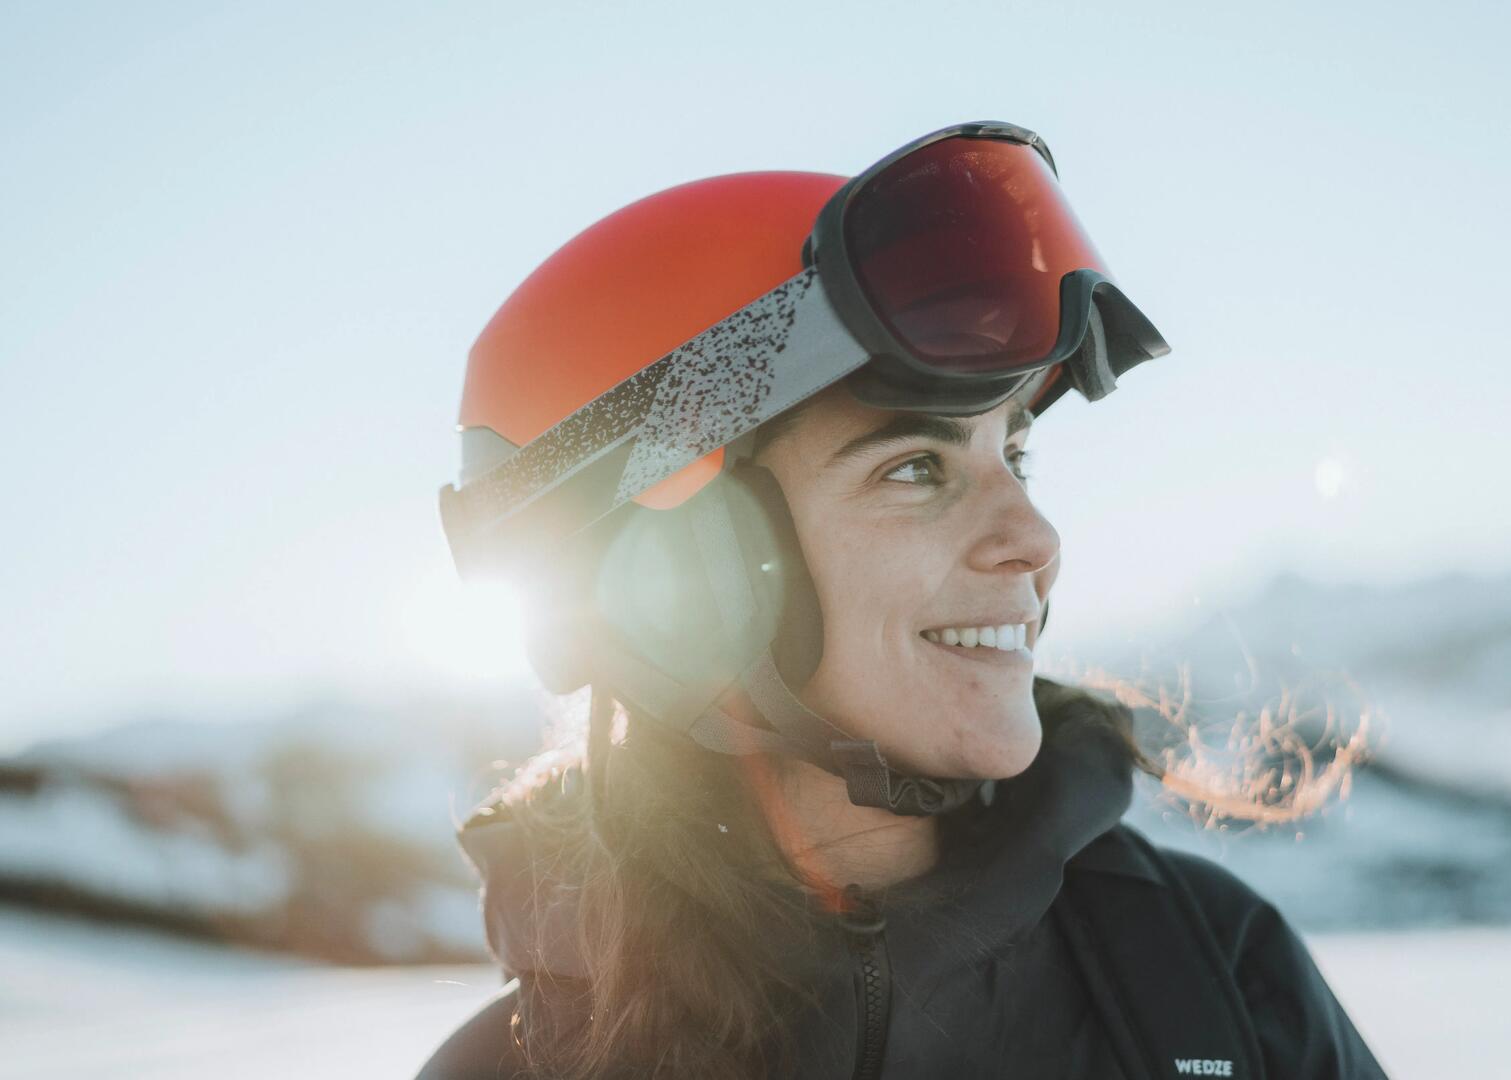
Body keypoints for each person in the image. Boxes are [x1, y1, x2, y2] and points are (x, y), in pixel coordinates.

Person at [416, 122, 1389, 1080]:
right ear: (676, 584)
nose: (1037, 542)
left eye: (1015, 452)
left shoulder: (1209, 979)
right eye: (916, 468)